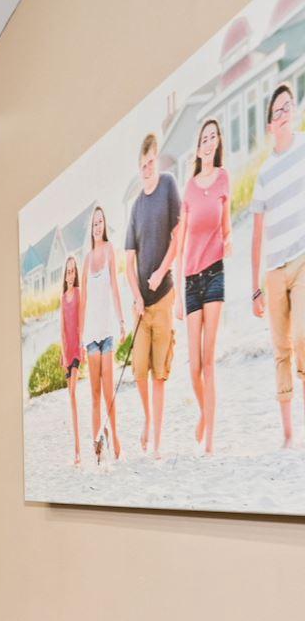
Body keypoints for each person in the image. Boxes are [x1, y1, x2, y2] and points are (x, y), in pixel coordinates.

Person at [251, 82, 305, 447]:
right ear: (271, 125)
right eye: (277, 111)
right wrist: (255, 287)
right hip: (273, 271)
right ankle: (288, 435)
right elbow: (256, 235)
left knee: (302, 337)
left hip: (302, 261)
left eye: (288, 106)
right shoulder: (264, 174)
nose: (284, 113)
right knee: (281, 350)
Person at [123, 132, 183, 457]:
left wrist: (161, 271)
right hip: (141, 307)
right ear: (138, 167)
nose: (147, 169)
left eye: (151, 163)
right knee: (139, 373)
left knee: (160, 374)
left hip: (164, 298)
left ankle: (157, 443)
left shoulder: (169, 186)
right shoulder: (136, 207)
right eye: (142, 165)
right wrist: (135, 295)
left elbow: (178, 236)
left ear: (156, 160)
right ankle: (148, 420)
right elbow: (128, 262)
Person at [178, 117, 230, 455]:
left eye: (213, 137)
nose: (208, 142)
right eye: (204, 138)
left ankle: (210, 442)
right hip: (190, 280)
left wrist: (228, 242)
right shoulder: (190, 188)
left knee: (209, 362)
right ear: (198, 148)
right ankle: (204, 414)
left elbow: (227, 227)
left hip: (214, 274)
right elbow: (183, 241)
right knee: (193, 367)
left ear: (217, 143)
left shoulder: (224, 178)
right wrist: (177, 300)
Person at [81, 205, 127, 461]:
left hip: (107, 332)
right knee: (95, 394)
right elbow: (84, 300)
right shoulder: (87, 259)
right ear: (91, 228)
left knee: (109, 391)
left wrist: (121, 322)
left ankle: (115, 436)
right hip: (90, 337)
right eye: (94, 223)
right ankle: (97, 442)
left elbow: (116, 289)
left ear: (104, 225)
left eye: (101, 222)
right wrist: (79, 336)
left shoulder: (110, 251)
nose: (98, 227)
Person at [60, 256, 85, 465]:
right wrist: (62, 352)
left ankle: (78, 451)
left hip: (76, 350)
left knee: (74, 395)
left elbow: (81, 321)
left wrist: (82, 345)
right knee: (71, 400)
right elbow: (61, 329)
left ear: (76, 274)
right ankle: (76, 448)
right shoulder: (63, 297)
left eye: (72, 271)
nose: (70, 275)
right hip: (66, 352)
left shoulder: (78, 293)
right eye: (67, 271)